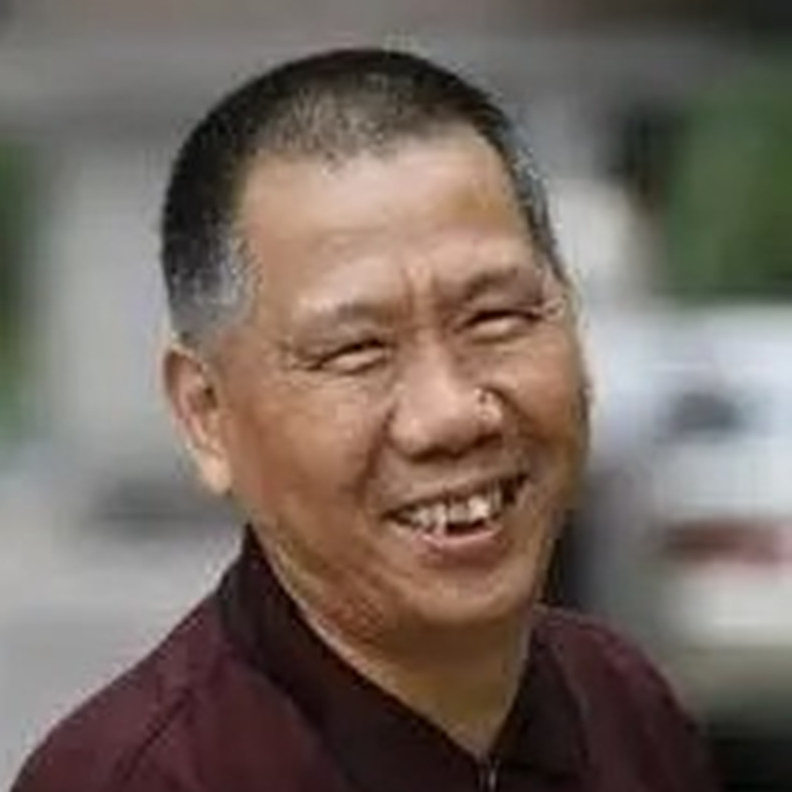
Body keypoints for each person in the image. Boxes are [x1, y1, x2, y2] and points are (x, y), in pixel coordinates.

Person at [11, 48, 719, 792]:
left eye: (496, 317)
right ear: (206, 414)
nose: (450, 415)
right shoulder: (140, 777)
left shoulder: (623, 705)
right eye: (356, 351)